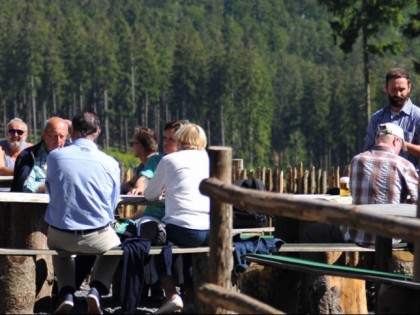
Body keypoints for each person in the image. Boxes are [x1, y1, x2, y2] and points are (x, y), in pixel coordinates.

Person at [44, 110, 122, 314]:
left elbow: (52, 191)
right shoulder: (111, 163)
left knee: (61, 254)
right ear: (98, 132)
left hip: (61, 233)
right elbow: (113, 204)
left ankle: (67, 293)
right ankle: (96, 289)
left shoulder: (55, 157)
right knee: (116, 248)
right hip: (97, 236)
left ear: (72, 131)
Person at [144, 123, 210, 314]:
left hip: (182, 228)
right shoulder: (210, 160)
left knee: (158, 244)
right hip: (209, 230)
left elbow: (150, 195)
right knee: (190, 248)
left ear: (180, 139)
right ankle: (189, 293)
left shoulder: (170, 160)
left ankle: (171, 294)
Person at [364, 68, 420, 171]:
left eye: (401, 90)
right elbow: (368, 151)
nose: (398, 94)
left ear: (409, 88)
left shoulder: (417, 117)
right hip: (382, 181)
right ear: (386, 88)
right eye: (394, 89)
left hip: (412, 181)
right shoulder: (377, 118)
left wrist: (402, 143)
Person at [10, 117, 68, 193]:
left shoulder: (73, 156)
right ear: (44, 134)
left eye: (61, 136)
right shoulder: (28, 156)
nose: (58, 141)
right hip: (34, 203)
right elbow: (25, 187)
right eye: (54, 136)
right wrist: (51, 188)